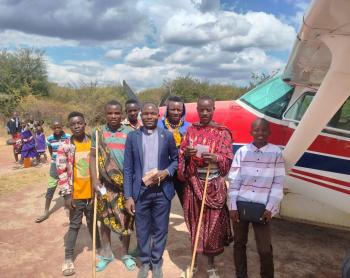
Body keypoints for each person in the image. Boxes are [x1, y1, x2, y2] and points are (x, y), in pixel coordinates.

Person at [178, 96, 233, 278]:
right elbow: (182, 153)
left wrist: (216, 159)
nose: (204, 113)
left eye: (208, 109)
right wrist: (186, 154)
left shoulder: (223, 132)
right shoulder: (191, 130)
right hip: (194, 185)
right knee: (196, 225)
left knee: (212, 228)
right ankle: (193, 263)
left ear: (213, 109)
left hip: (214, 185)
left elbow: (228, 159)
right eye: (201, 109)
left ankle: (210, 265)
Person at [124, 102, 178, 278]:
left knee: (161, 228)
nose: (148, 117)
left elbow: (176, 160)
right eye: (145, 114)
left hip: (162, 191)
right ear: (141, 115)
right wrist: (128, 196)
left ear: (158, 116)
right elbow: (128, 169)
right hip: (140, 192)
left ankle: (156, 262)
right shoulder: (132, 137)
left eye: (152, 113)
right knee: (142, 229)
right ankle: (145, 262)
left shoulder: (167, 136)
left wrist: (167, 172)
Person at [227, 118, 285, 278]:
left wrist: (271, 207)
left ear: (269, 132)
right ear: (251, 132)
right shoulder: (242, 152)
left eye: (264, 130)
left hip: (263, 209)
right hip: (240, 206)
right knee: (239, 244)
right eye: (257, 130)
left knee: (265, 249)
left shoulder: (276, 153)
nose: (260, 133)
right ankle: (241, 275)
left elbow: (278, 182)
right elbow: (234, 180)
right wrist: (232, 206)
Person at [90, 100, 136, 272]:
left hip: (126, 186)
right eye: (110, 113)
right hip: (106, 185)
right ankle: (107, 253)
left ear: (122, 114)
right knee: (105, 220)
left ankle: (125, 254)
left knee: (128, 220)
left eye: (117, 113)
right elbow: (93, 157)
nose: (114, 116)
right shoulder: (98, 132)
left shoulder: (130, 132)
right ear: (105, 114)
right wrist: (94, 180)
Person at [57, 111, 101, 276]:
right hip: (76, 195)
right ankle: (68, 258)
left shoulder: (93, 142)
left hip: (92, 193)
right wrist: (67, 196)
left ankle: (99, 248)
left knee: (93, 221)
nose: (77, 126)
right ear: (69, 126)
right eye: (73, 124)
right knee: (75, 225)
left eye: (79, 123)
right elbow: (61, 172)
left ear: (85, 124)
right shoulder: (65, 146)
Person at [157, 96, 191, 206]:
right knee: (162, 205)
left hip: (182, 172)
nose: (176, 112)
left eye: (179, 110)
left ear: (183, 111)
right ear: (167, 110)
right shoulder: (158, 125)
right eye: (173, 109)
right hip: (163, 171)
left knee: (186, 204)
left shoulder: (189, 127)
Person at [35, 119, 70, 223]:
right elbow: (50, 150)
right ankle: (46, 211)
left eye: (59, 127)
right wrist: (55, 159)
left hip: (67, 165)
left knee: (68, 186)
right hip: (55, 165)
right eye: (54, 128)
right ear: (51, 128)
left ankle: (70, 207)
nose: (57, 129)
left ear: (62, 126)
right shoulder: (50, 138)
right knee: (51, 187)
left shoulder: (68, 137)